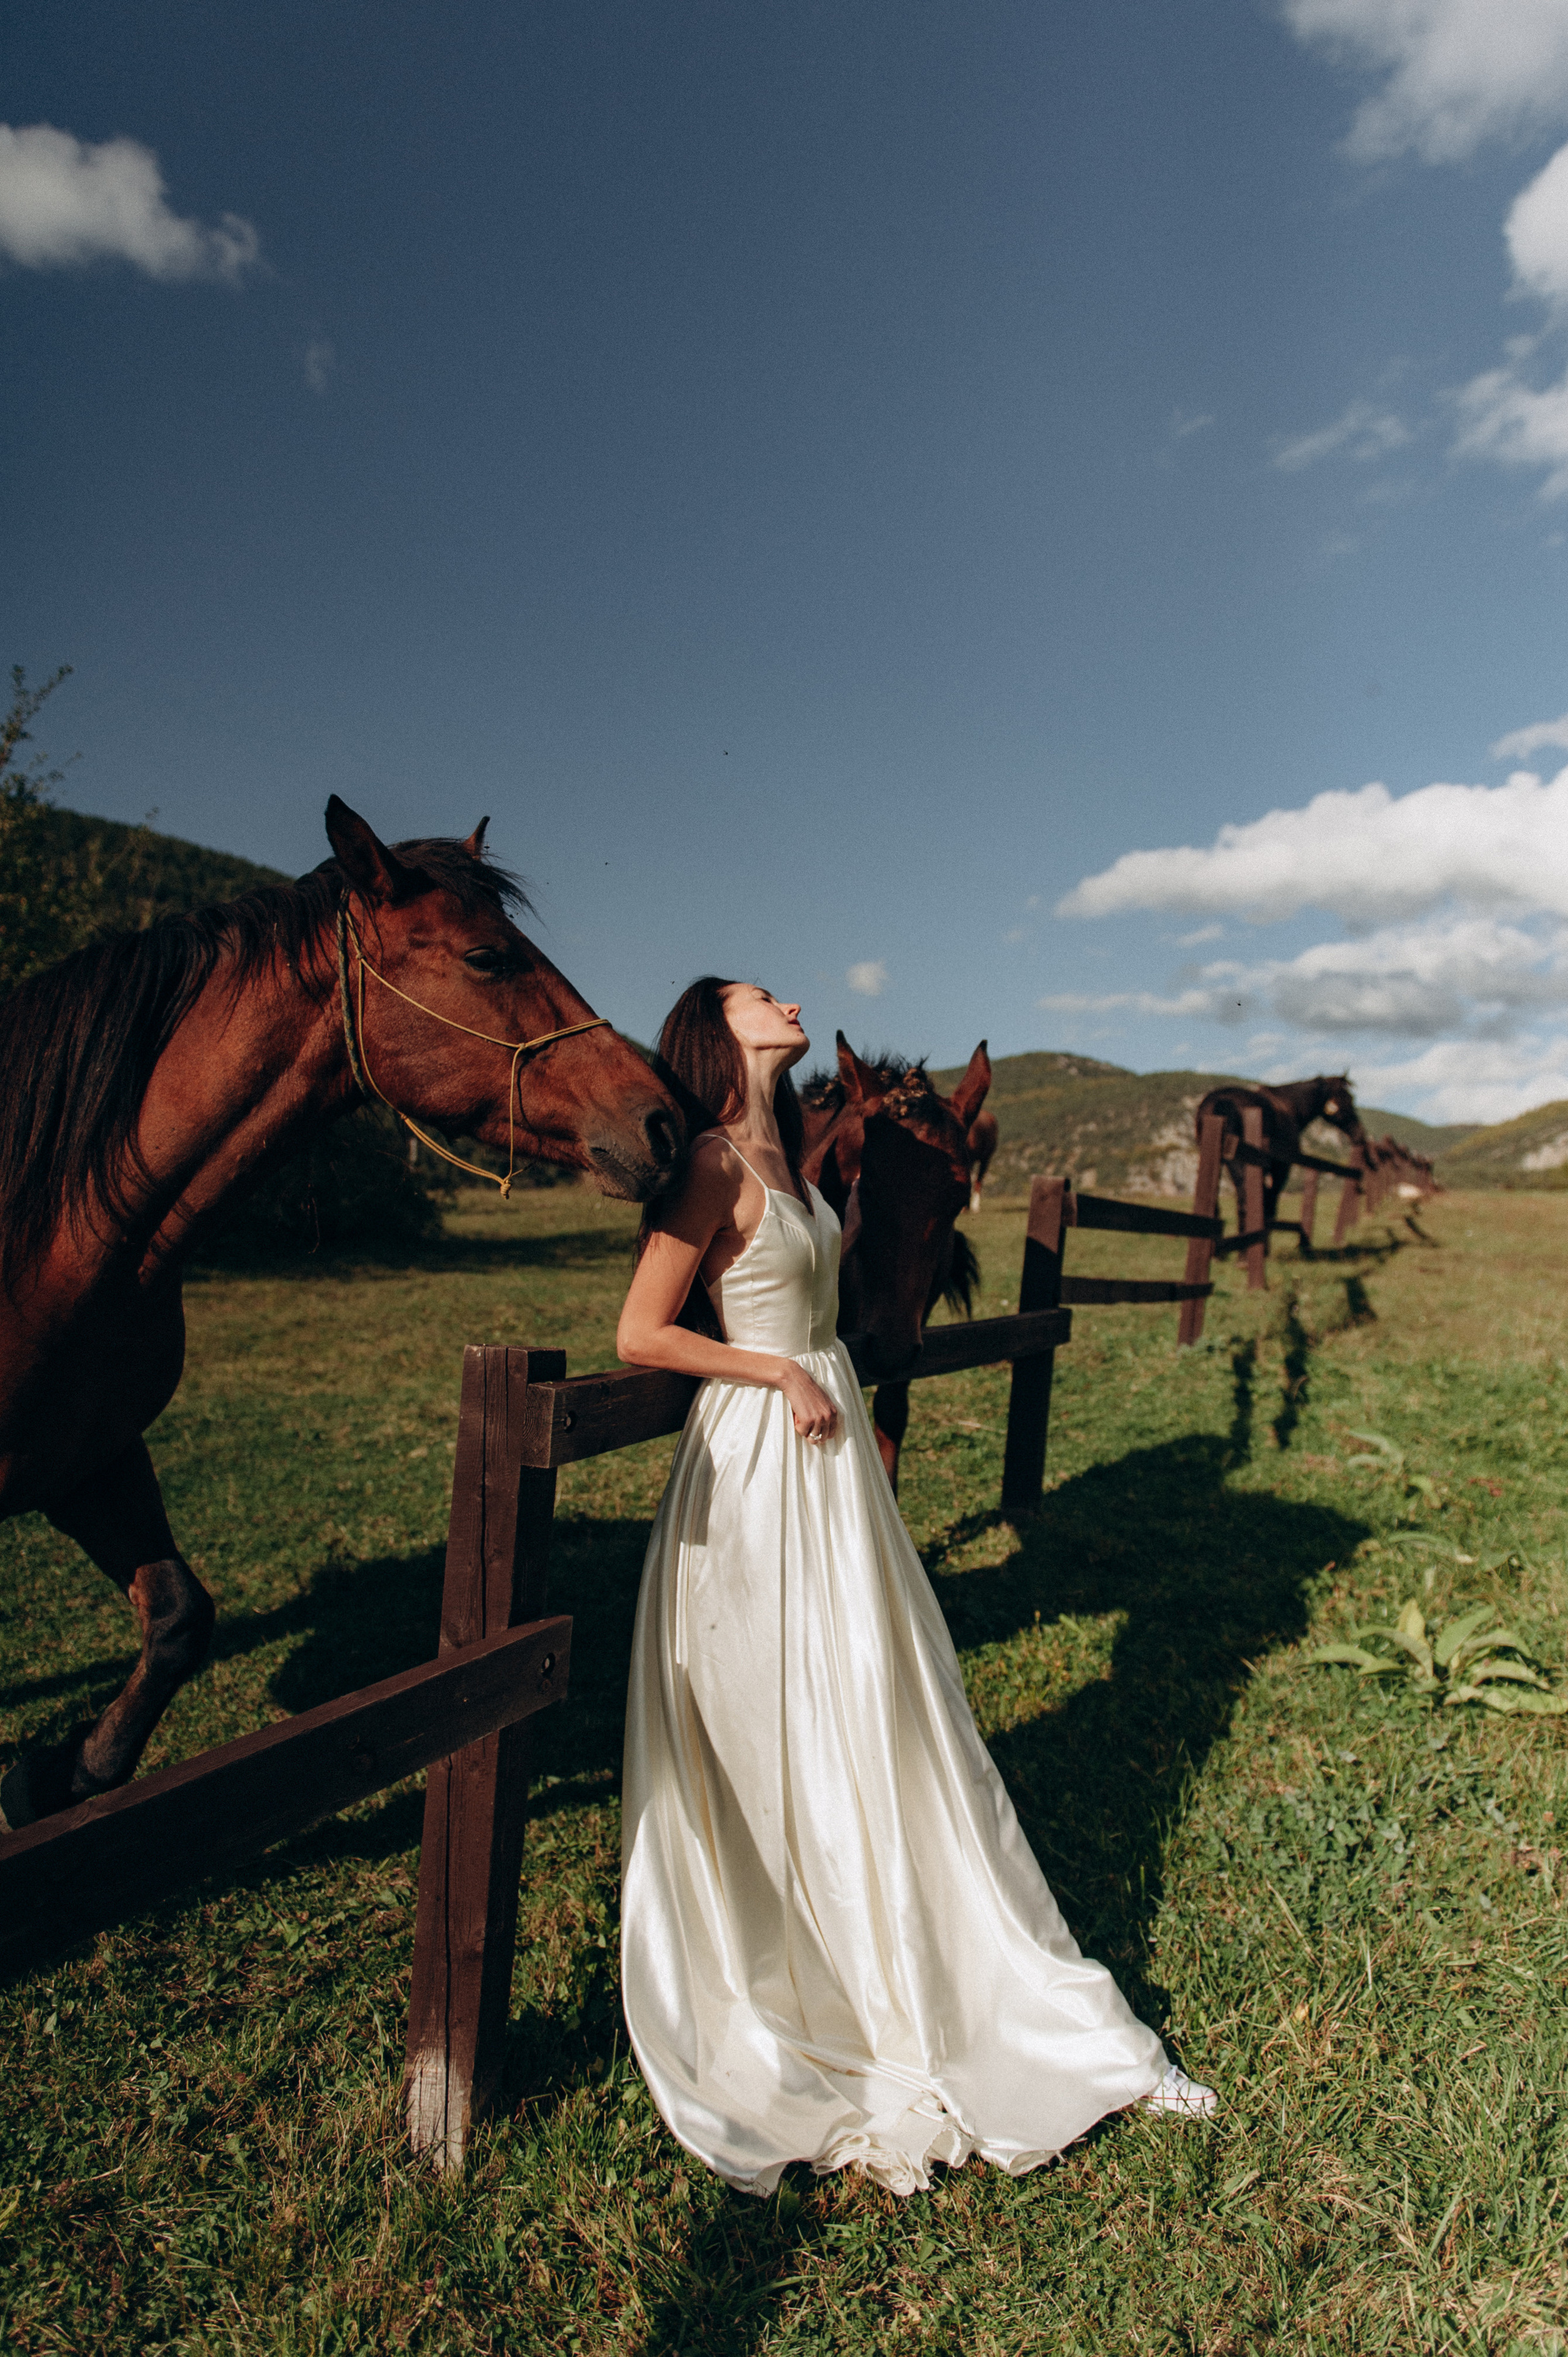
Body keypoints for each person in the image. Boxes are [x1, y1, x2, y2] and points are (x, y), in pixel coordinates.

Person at [615, 976, 1215, 2198]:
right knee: (786, 1715)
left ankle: (963, 1972)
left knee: (892, 1707)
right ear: (714, 1031)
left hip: (831, 1471)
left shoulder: (790, 1157)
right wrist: (772, 1374)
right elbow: (639, 1331)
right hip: (757, 1463)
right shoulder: (714, 1166)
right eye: (752, 995)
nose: (781, 999)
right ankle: (812, 1982)